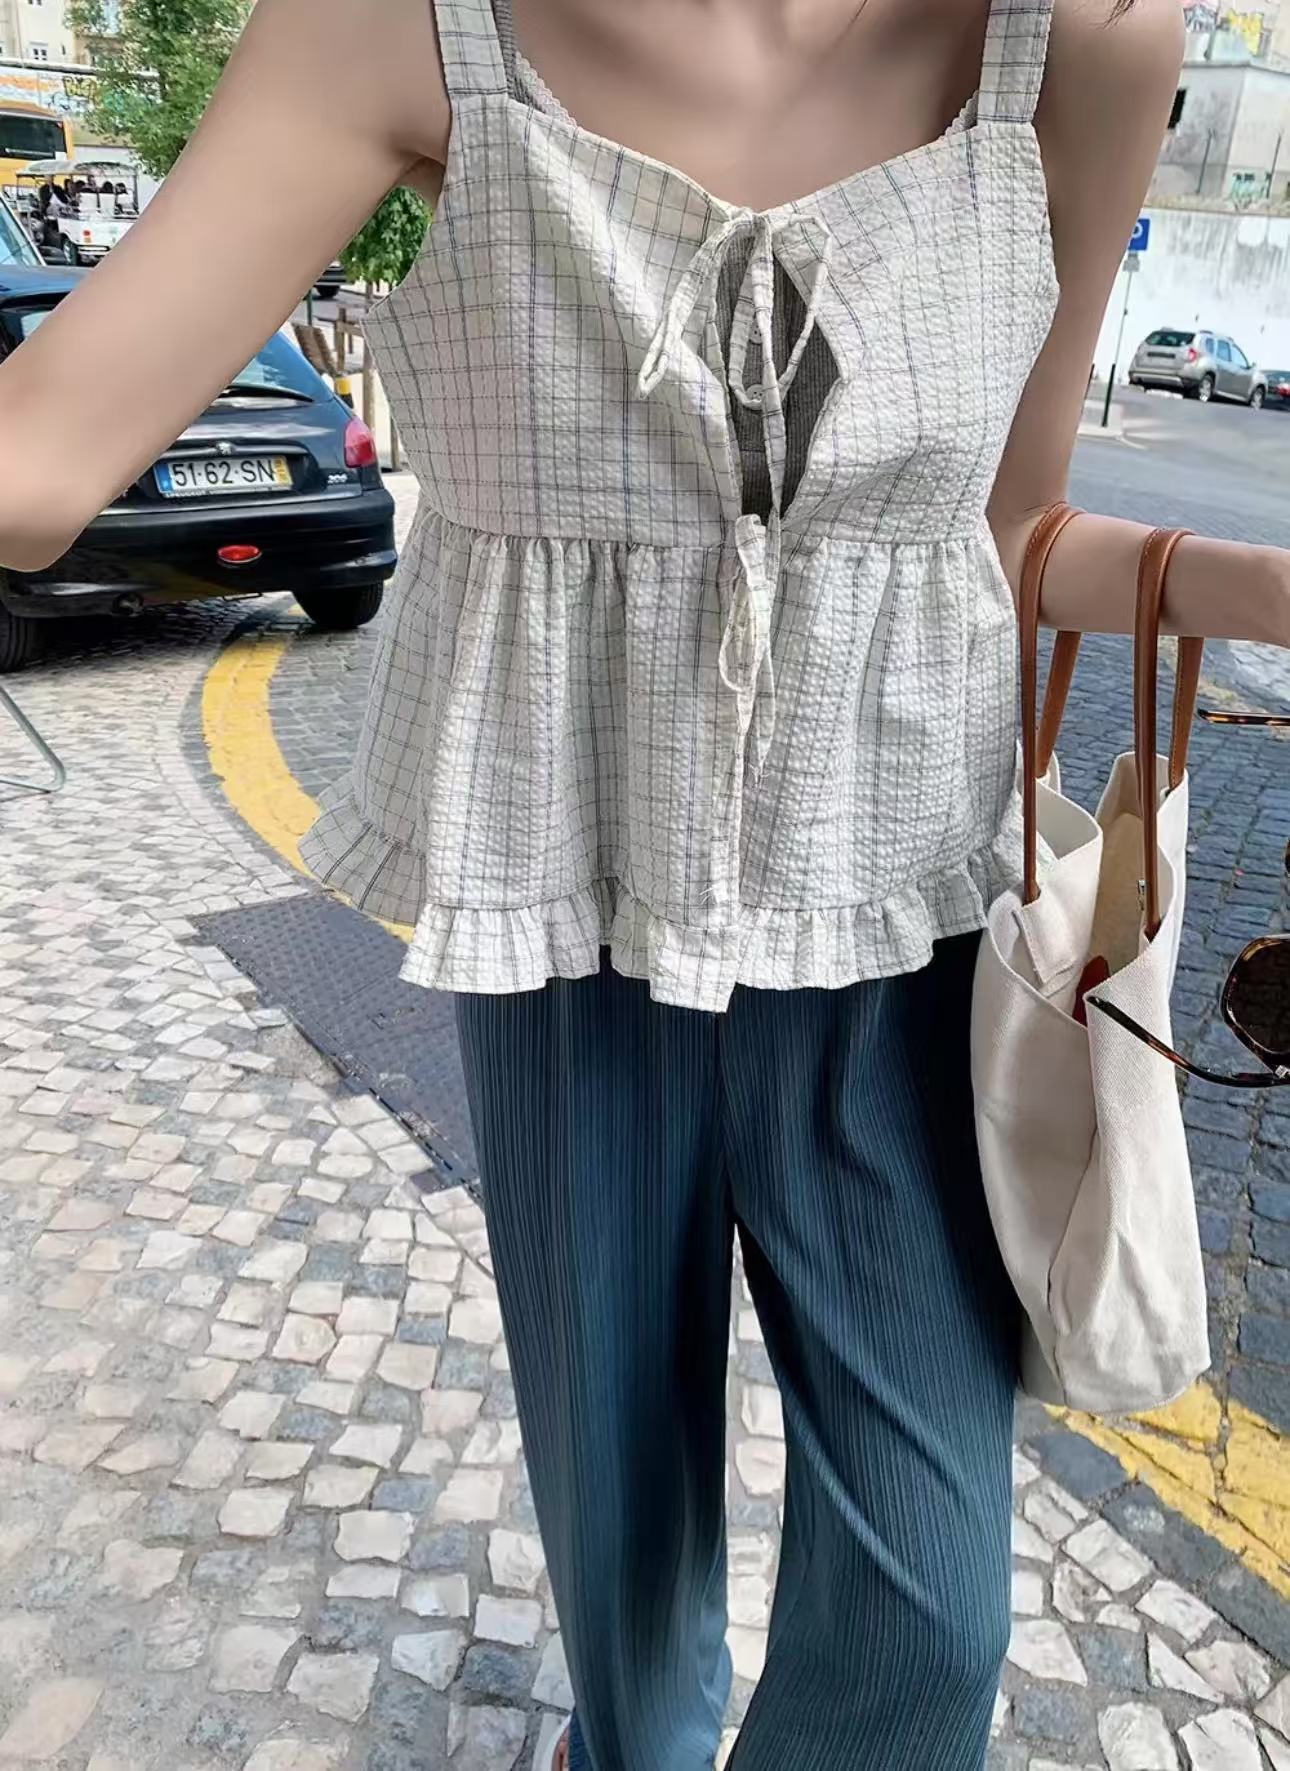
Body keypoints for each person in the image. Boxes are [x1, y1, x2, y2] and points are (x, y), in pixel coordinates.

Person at [0, 2, 1287, 1766]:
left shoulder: (1083, 44)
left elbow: (1008, 529)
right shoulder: (400, 30)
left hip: (897, 931)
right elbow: (41, 461)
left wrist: (1254, 589)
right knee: (616, 1515)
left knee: (930, 1606)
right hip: (566, 913)